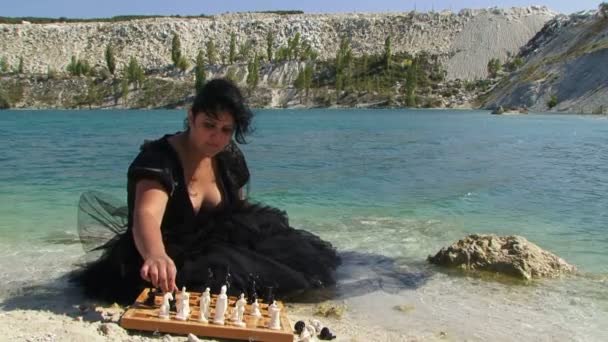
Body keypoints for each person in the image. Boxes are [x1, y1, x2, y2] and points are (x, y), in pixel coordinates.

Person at [73, 78, 340, 304]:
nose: (217, 137)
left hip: (217, 247)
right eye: (209, 125)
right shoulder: (159, 160)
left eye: (226, 130)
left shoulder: (228, 158)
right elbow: (147, 215)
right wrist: (155, 254)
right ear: (191, 117)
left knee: (306, 280)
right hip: (166, 251)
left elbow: (239, 214)